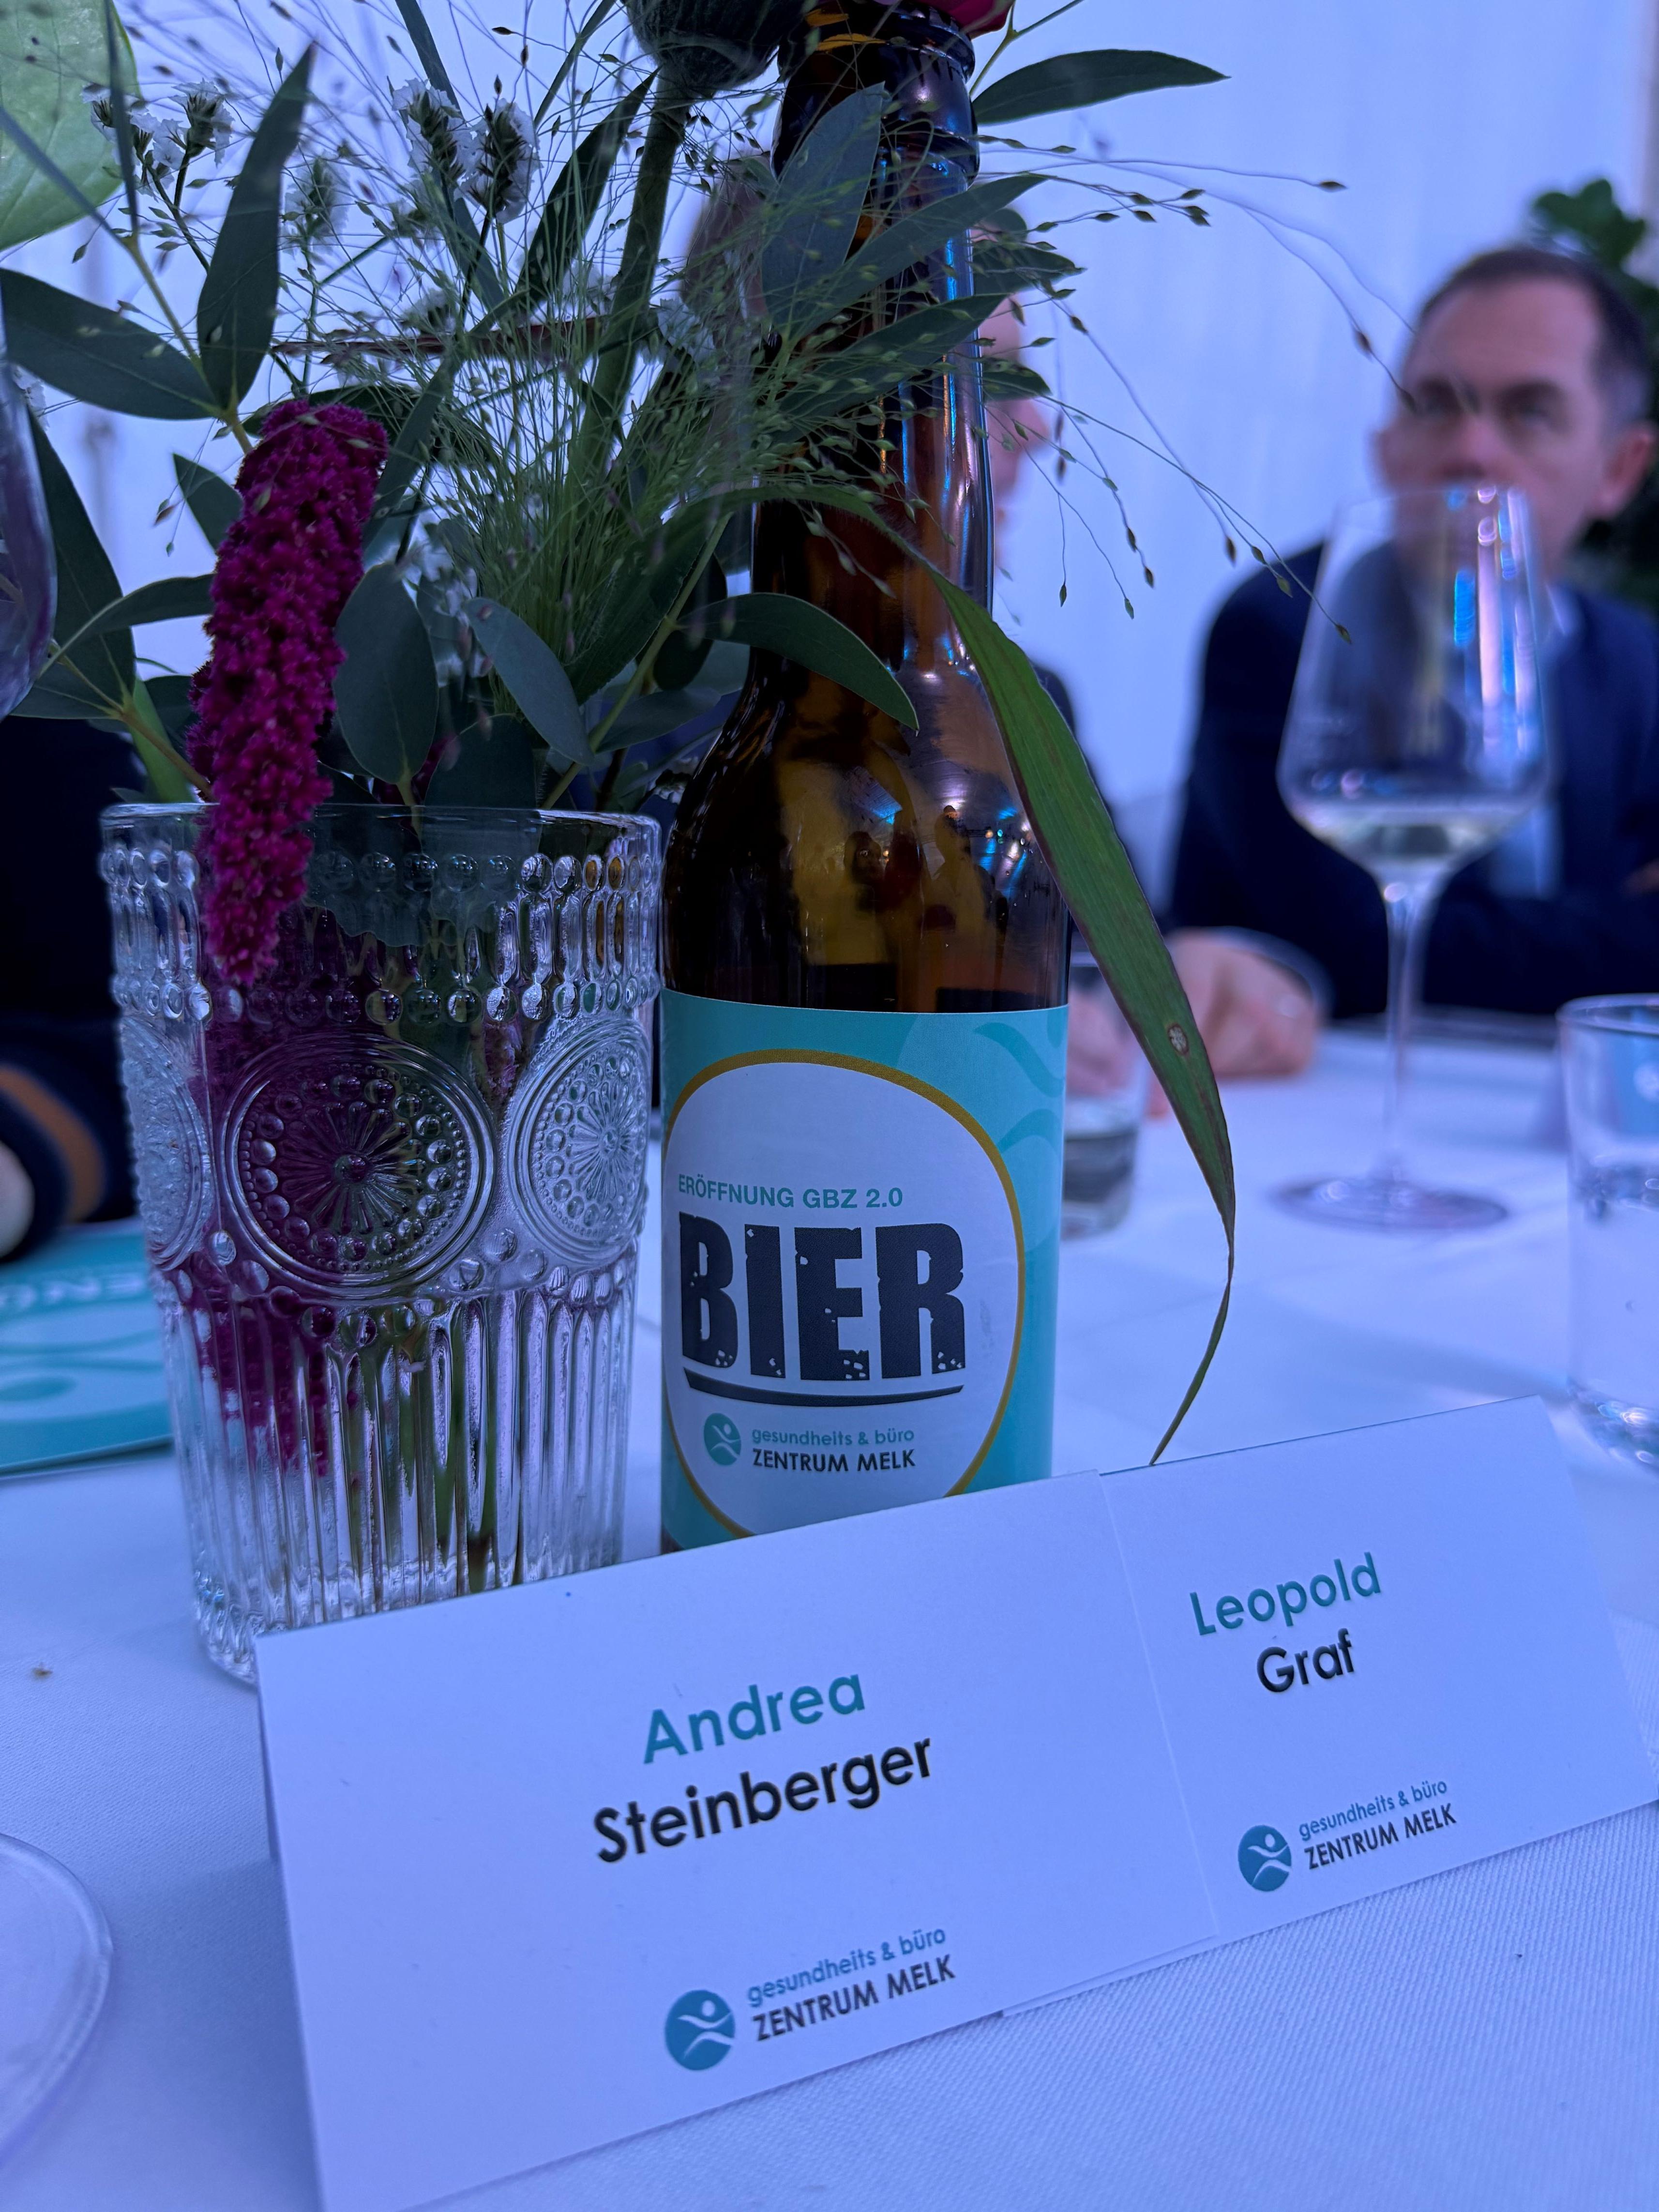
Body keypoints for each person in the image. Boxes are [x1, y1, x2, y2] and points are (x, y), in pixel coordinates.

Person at [1169, 245, 1659, 1016]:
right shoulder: (1290, 626)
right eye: (1433, 404)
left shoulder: (1632, 658)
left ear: (1620, 469)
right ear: (1387, 442)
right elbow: (1360, 953)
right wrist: (1628, 930)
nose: (1469, 450)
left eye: (1530, 412)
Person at [974, 300, 1319, 1088]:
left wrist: (1222, 973)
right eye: (983, 380)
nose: (1038, 426)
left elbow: (1113, 959)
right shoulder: (682, 714)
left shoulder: (1029, 698)